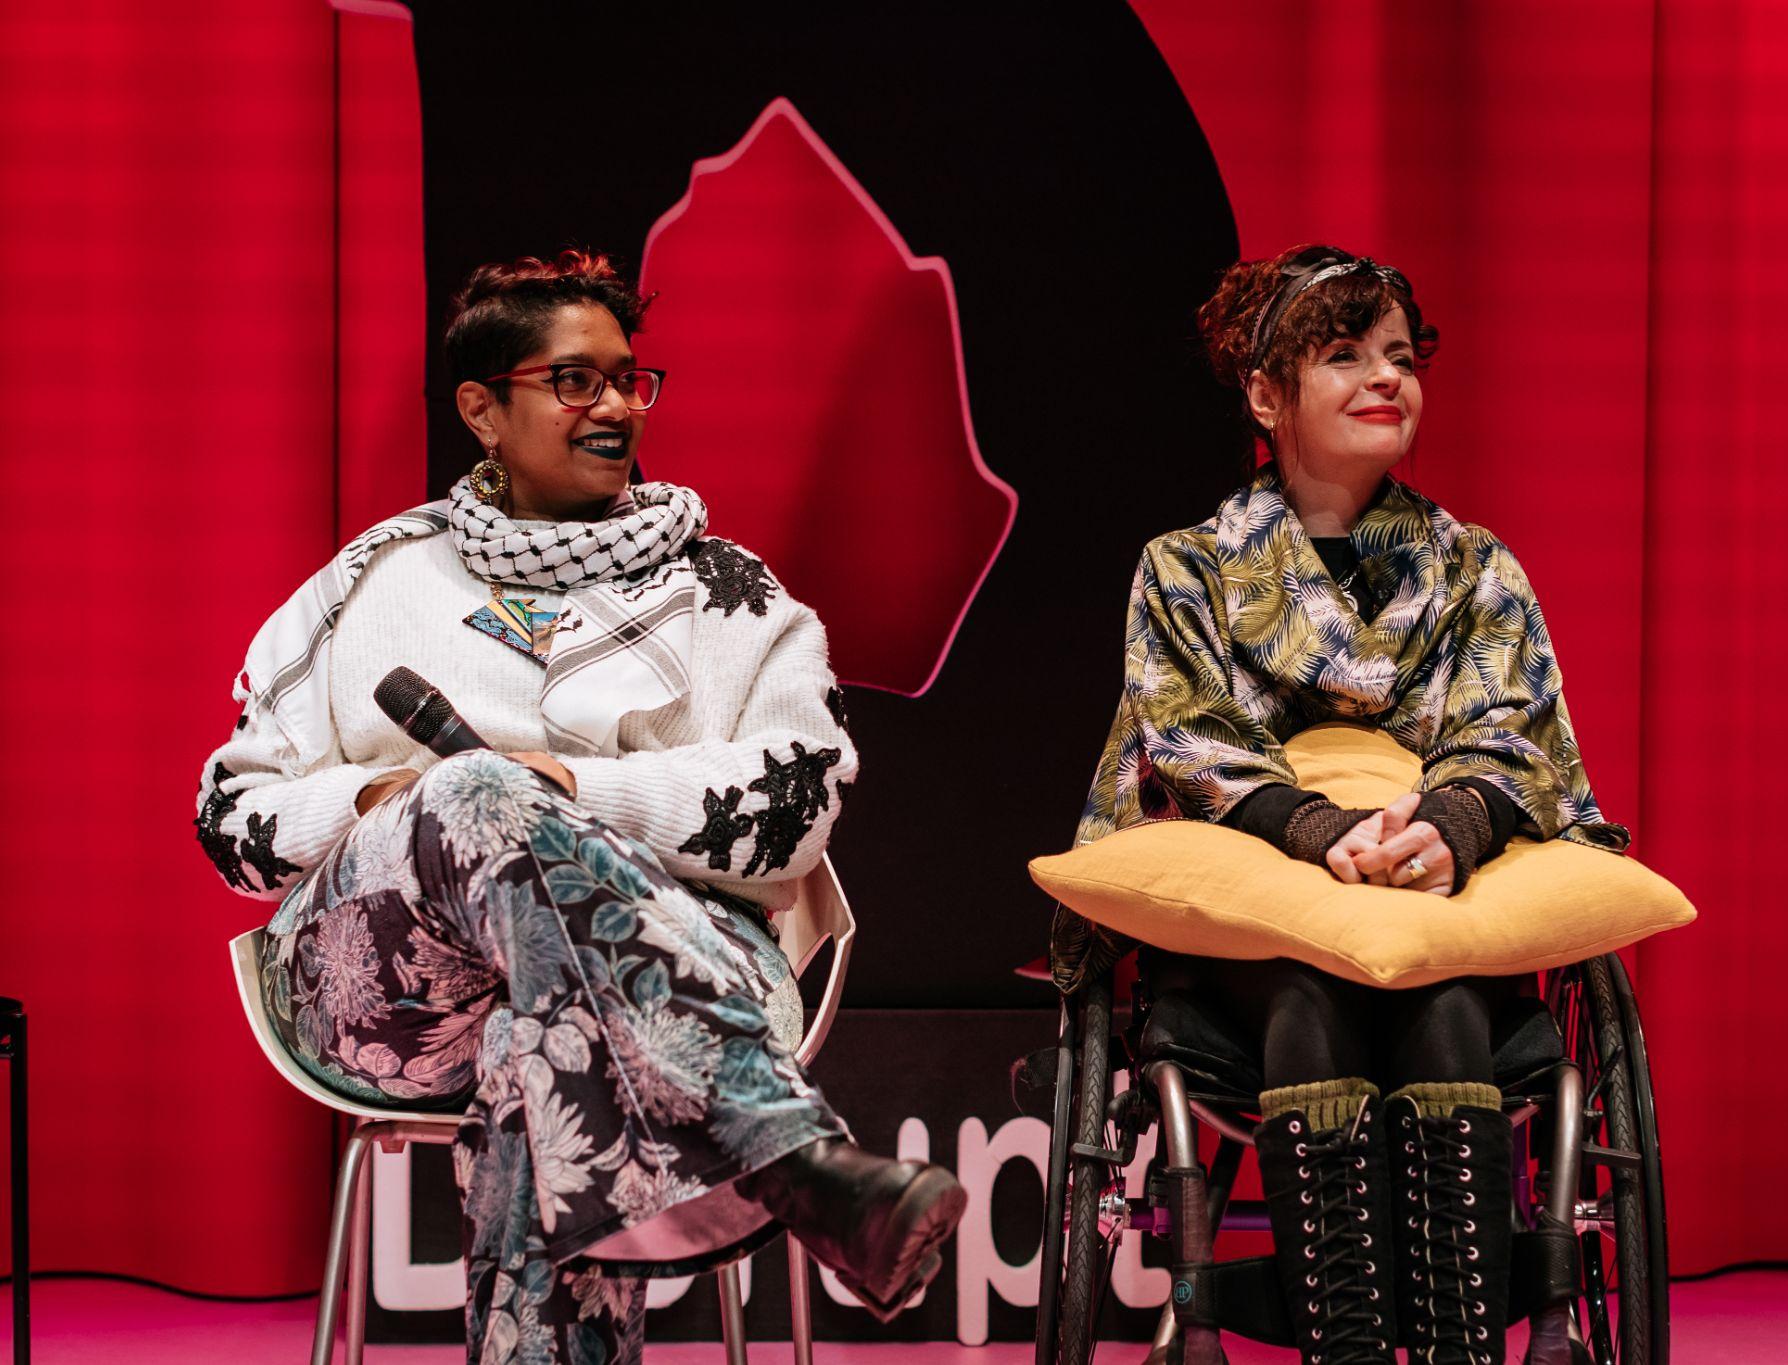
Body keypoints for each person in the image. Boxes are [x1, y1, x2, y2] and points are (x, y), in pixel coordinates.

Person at [195, 250, 965, 1365]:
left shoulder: (730, 595)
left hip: (668, 981)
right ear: (481, 409)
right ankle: (785, 1153)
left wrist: (574, 792)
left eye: (629, 378)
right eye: (573, 381)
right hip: (395, 1000)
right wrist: (380, 800)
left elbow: (795, 807)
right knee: (466, 789)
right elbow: (231, 820)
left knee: (547, 1035)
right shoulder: (368, 583)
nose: (614, 405)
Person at [1064, 246, 1627, 1365]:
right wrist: (1323, 837)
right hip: (1266, 902)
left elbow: (1507, 728)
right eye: (1342, 356)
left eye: (1399, 357)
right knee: (1304, 999)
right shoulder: (1188, 569)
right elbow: (1187, 737)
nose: (1385, 379)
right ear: (1265, 396)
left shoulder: (1473, 570)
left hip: (1430, 879)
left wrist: (1446, 826)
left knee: (1450, 1009)